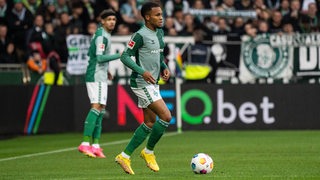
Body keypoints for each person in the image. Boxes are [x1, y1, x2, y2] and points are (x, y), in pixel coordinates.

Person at [115, 2, 171, 175]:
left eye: (161, 14)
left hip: (152, 83)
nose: (161, 17)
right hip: (141, 82)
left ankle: (124, 156)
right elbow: (125, 56)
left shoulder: (160, 32)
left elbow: (158, 55)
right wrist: (142, 71)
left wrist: (163, 66)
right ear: (147, 17)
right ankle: (149, 152)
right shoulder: (139, 35)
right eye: (157, 15)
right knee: (166, 116)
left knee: (149, 122)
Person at [77, 9, 121, 158]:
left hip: (100, 75)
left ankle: (95, 145)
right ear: (102, 21)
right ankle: (85, 143)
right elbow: (100, 58)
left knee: (101, 109)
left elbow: (99, 60)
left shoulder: (105, 35)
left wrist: (107, 71)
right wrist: (119, 55)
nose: (112, 22)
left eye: (114, 19)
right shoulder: (102, 36)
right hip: (96, 76)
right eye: (108, 19)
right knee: (96, 107)